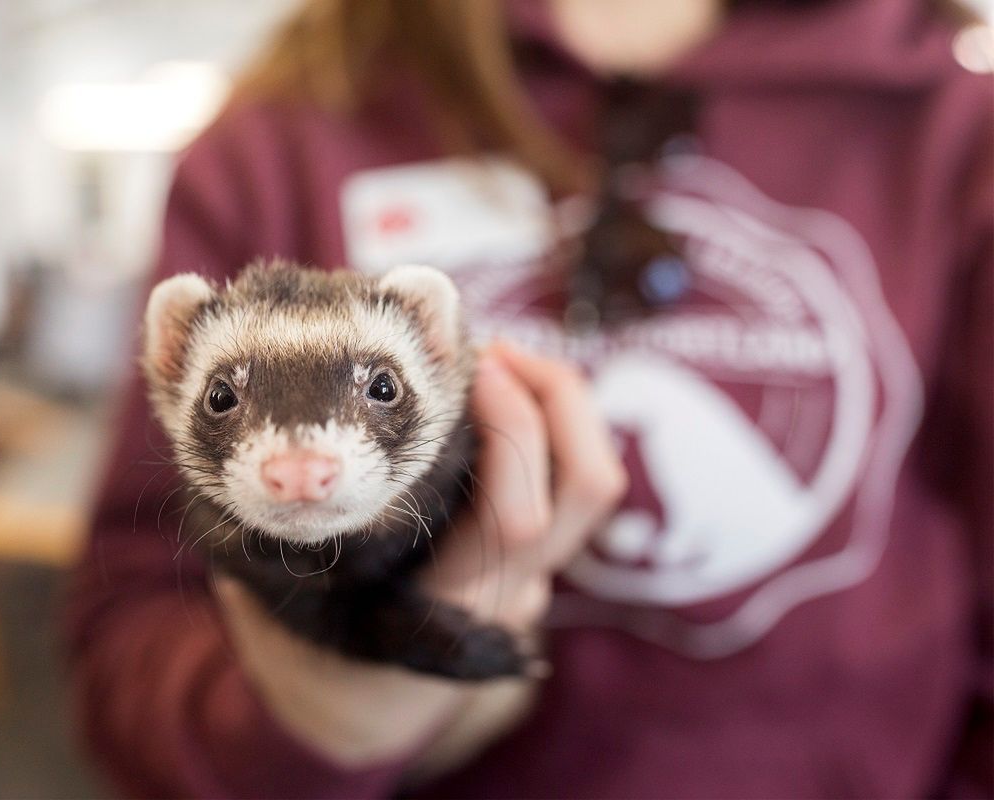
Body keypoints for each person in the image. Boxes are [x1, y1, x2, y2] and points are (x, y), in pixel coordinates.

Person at [65, 0, 992, 796]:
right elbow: (127, 642)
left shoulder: (956, 130)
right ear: (173, 356)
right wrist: (324, 711)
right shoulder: (278, 135)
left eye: (383, 388)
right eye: (225, 397)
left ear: (434, 346)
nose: (302, 452)